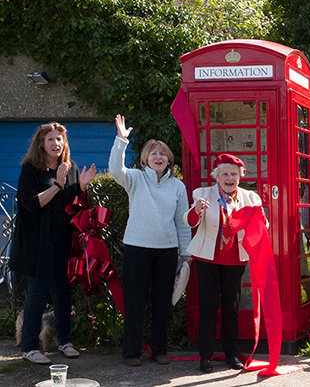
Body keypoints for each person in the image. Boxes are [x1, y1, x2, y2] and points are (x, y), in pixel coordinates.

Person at [110, 115, 191, 366]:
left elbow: (183, 222)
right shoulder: (135, 178)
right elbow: (115, 170)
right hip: (137, 249)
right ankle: (132, 352)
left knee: (162, 304)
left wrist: (186, 252)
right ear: (146, 158)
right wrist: (121, 140)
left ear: (169, 159)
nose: (159, 157)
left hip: (166, 251)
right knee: (135, 303)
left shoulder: (178, 187)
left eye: (163, 154)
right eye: (154, 153)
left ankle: (159, 350)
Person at [10, 122, 95, 364]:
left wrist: (81, 186)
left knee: (63, 291)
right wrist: (57, 185)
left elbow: (73, 203)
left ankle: (65, 342)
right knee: (39, 292)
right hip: (38, 242)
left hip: (64, 240)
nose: (56, 143)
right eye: (51, 139)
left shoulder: (70, 167)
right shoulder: (31, 170)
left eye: (60, 139)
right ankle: (30, 347)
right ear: (41, 144)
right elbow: (29, 203)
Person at [186, 154, 260, 373]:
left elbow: (260, 229)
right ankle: (205, 356)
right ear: (216, 176)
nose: (229, 178)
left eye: (234, 174)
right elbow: (189, 221)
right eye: (225, 174)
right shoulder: (202, 194)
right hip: (207, 258)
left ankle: (232, 354)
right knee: (208, 308)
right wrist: (197, 209)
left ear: (240, 177)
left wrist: (262, 218)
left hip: (235, 259)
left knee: (231, 308)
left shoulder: (251, 197)